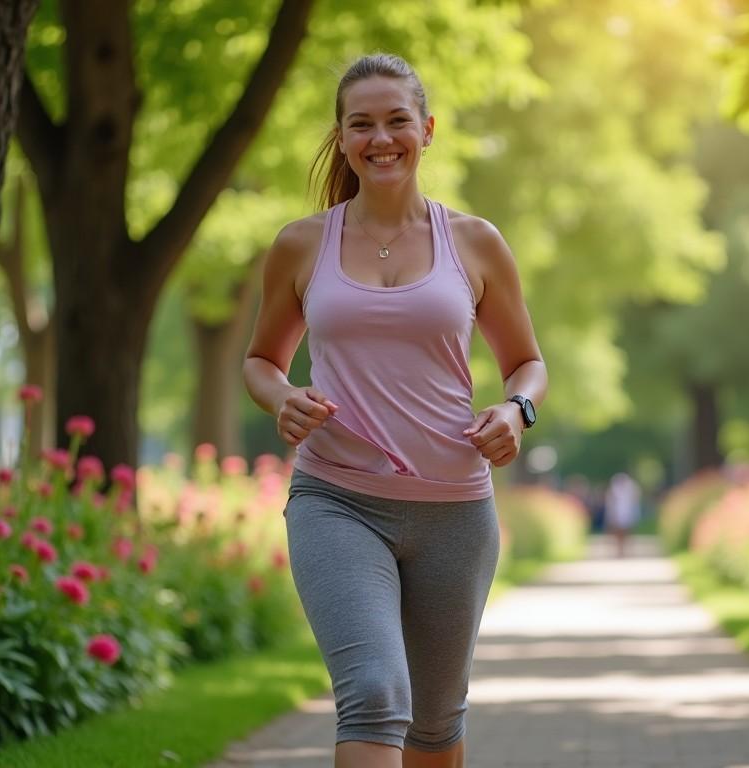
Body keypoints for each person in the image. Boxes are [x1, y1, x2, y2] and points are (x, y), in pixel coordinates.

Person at [242, 53, 547, 768]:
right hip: (337, 501)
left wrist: (517, 412)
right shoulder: (301, 243)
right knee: (376, 694)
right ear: (342, 137)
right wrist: (282, 395)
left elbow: (526, 363)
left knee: (436, 725)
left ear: (427, 129)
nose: (381, 138)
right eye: (362, 124)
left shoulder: (474, 242)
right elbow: (261, 360)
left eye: (396, 121)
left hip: (455, 511)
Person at [604, 471, 641, 557]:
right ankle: (620, 550)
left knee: (627, 532)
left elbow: (635, 499)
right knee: (618, 533)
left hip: (627, 513)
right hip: (618, 513)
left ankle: (625, 550)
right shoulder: (614, 488)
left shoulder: (631, 488)